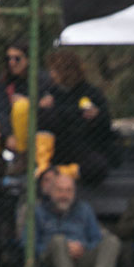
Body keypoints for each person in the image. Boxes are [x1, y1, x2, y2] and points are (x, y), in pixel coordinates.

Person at [38, 49, 114, 186]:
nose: (51, 74)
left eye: (55, 70)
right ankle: (45, 170)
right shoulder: (49, 92)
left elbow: (106, 124)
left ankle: (52, 173)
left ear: (66, 71)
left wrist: (97, 116)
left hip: (83, 147)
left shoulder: (91, 93)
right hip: (57, 147)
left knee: (98, 167)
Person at [34, 172, 120, 267]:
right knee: (58, 241)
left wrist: (82, 247)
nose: (64, 195)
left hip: (80, 256)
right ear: (51, 192)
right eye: (60, 190)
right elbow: (29, 243)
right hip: (50, 260)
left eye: (69, 191)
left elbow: (96, 238)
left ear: (74, 192)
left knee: (112, 241)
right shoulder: (38, 211)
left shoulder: (84, 209)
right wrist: (62, 246)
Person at [0, 39, 52, 157]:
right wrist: (8, 135)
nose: (12, 62)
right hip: (8, 130)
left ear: (28, 59)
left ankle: (22, 156)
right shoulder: (3, 80)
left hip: (33, 129)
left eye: (17, 58)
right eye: (8, 58)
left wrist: (29, 103)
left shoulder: (42, 79)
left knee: (21, 106)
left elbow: (47, 109)